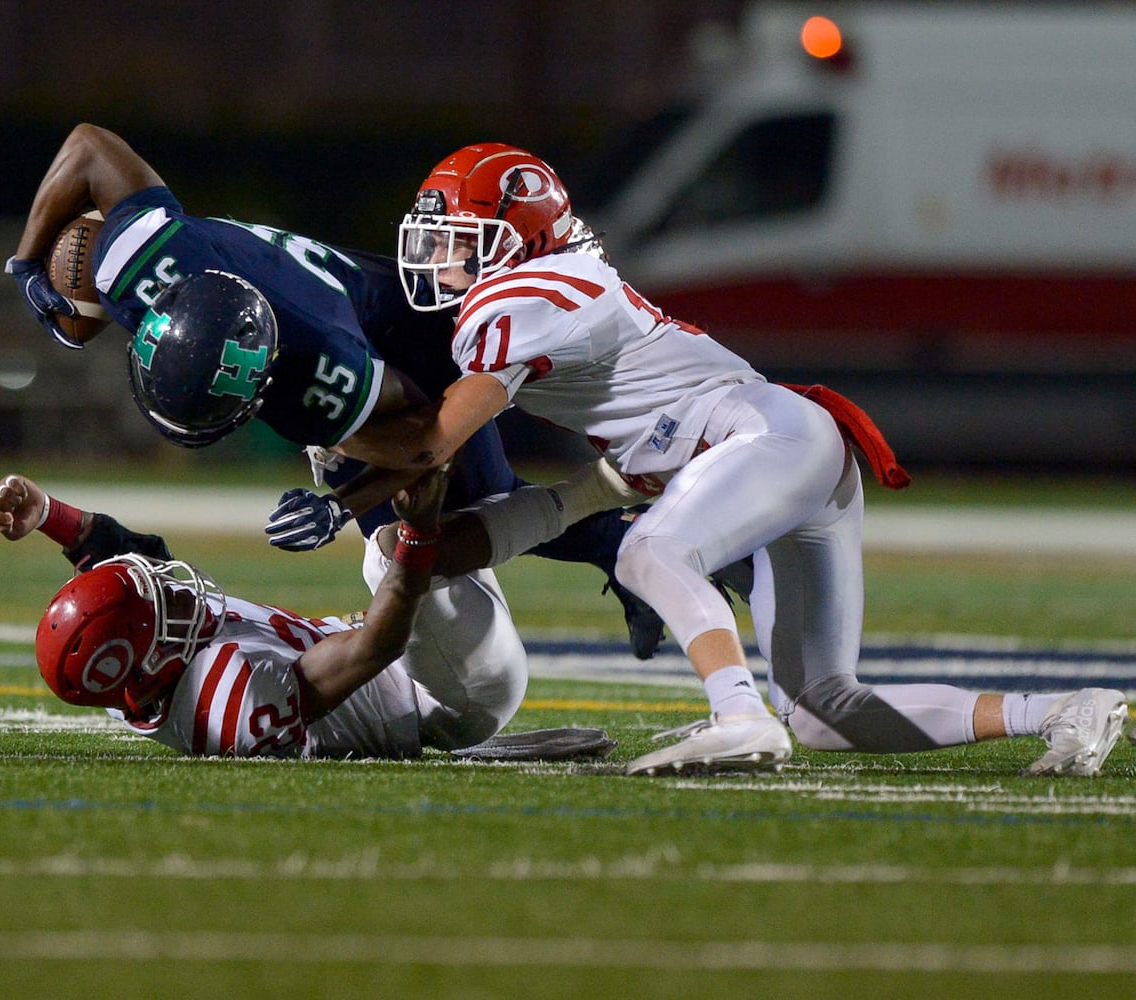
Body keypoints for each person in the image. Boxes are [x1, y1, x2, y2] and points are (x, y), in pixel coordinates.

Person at [327, 141, 1129, 777]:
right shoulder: (594, 348)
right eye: (434, 241)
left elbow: (433, 440)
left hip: (766, 435)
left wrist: (342, 476)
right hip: (781, 446)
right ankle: (1063, 710)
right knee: (822, 708)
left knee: (650, 550)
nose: (439, 262)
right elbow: (564, 504)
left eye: (459, 243)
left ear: (523, 239)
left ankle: (739, 716)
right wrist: (429, 551)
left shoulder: (530, 292)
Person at [5, 122, 667, 659]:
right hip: (339, 314)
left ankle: (627, 542)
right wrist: (26, 262)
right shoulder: (132, 261)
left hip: (406, 340)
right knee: (426, 530)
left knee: (445, 526)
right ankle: (614, 541)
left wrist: (340, 506)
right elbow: (89, 146)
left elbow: (424, 441)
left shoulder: (323, 372)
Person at [0, 468, 614, 761]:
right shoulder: (228, 698)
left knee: (439, 479)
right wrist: (418, 534)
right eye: (162, 605)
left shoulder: (133, 678)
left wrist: (51, 516)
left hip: (423, 659)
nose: (174, 587)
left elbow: (133, 568)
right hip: (453, 697)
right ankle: (609, 491)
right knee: (393, 546)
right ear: (154, 660)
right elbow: (376, 647)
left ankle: (610, 516)